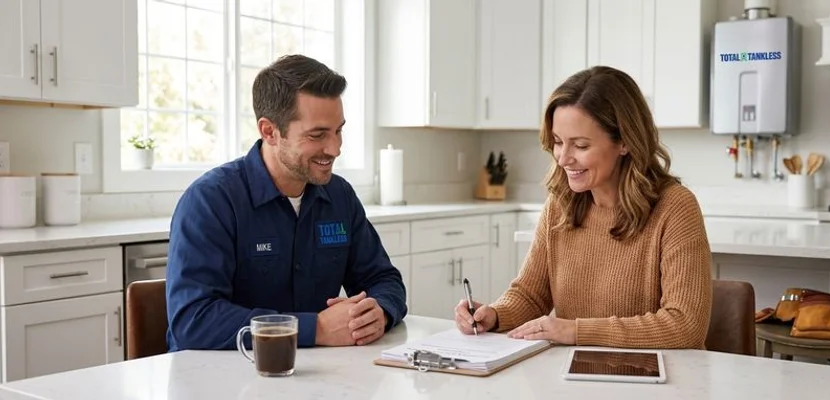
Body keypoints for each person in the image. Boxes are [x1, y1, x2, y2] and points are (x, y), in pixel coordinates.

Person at [455, 66, 712, 349]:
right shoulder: (560, 204)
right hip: (574, 370)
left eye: (580, 145)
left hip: (657, 374)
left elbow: (685, 324)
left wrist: (577, 331)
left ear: (624, 142)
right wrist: (494, 315)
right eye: (557, 142)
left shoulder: (675, 207)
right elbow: (530, 295)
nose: (563, 158)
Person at [166, 54, 407, 351]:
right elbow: (193, 320)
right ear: (269, 131)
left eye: (338, 131)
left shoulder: (339, 196)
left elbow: (383, 279)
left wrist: (379, 311)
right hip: (219, 373)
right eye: (317, 135)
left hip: (315, 369)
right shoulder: (210, 201)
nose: (335, 148)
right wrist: (314, 329)